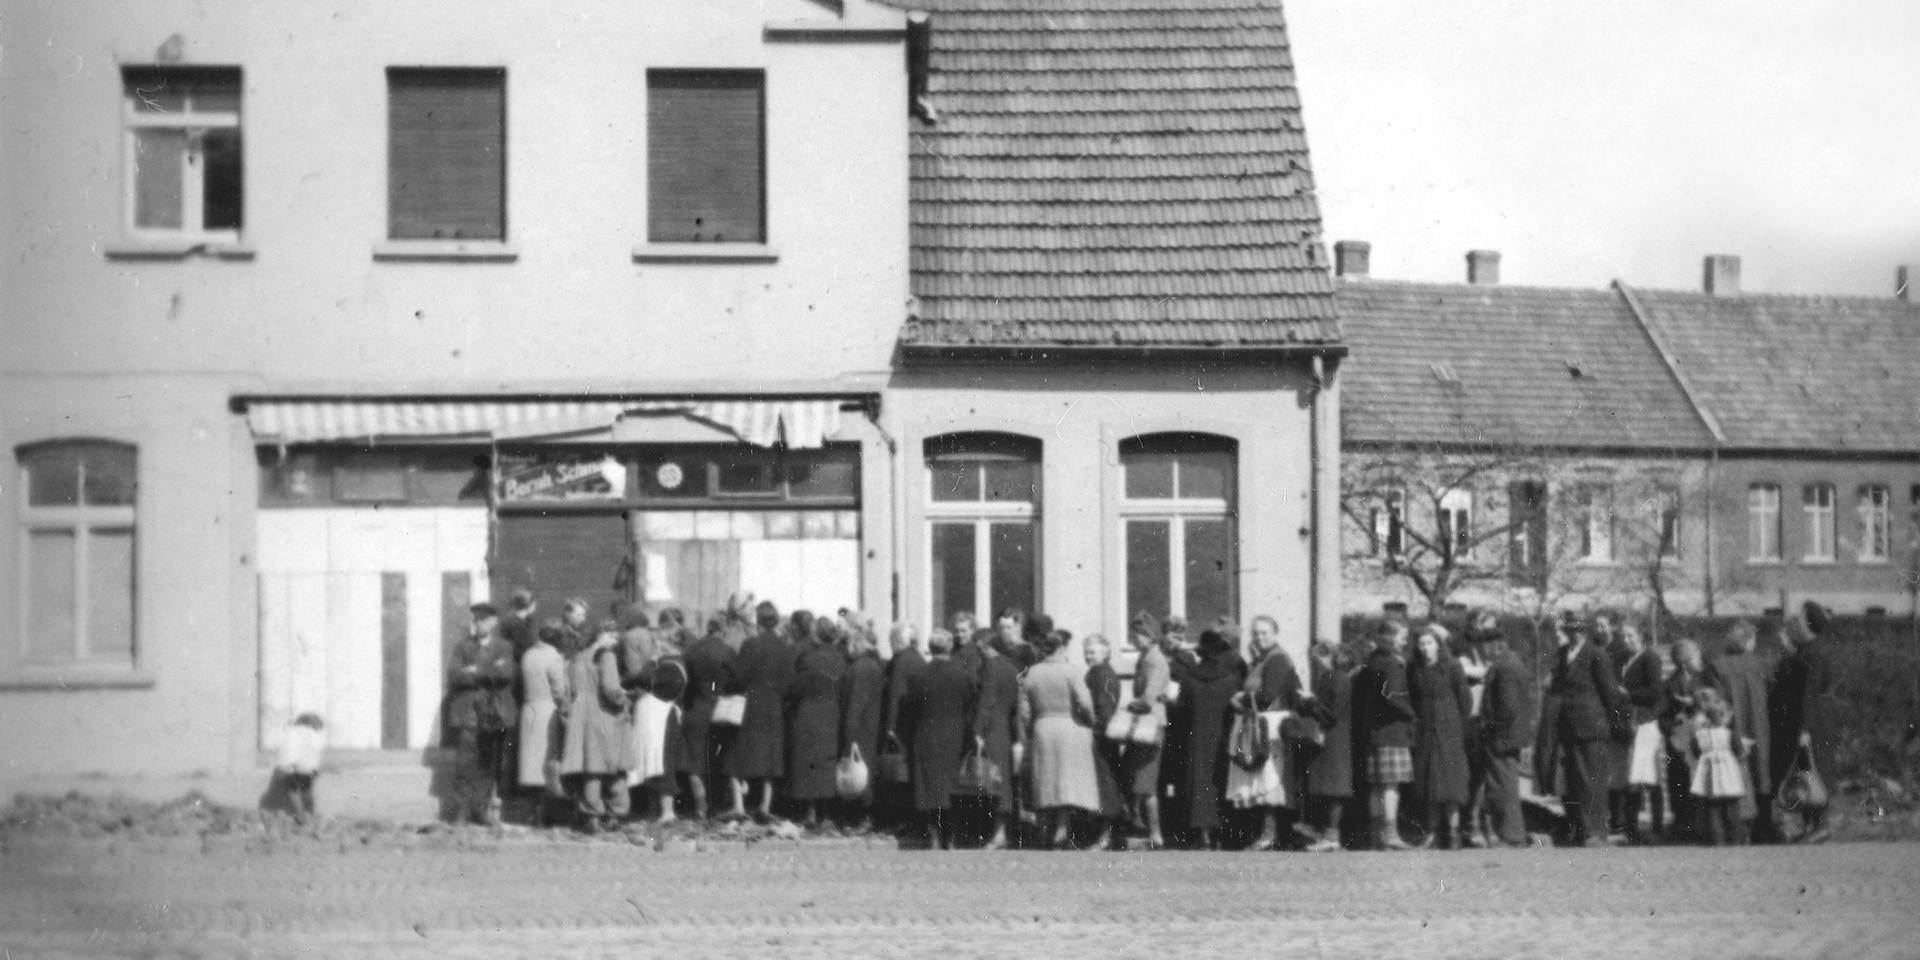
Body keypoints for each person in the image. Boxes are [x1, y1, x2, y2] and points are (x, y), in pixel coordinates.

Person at [1546, 615, 1626, 847]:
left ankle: (1595, 832)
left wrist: (1606, 720)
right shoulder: (1562, 654)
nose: (1574, 633)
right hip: (1569, 725)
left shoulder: (1596, 654)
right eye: (1570, 629)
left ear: (1585, 632)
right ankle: (1578, 829)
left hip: (1592, 725)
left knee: (1594, 780)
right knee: (1574, 781)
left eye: (1578, 629)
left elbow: (1610, 693)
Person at [1164, 624, 1246, 849]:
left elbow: (1180, 709)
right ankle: (1220, 832)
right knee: (1218, 781)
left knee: (1197, 782)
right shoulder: (1229, 680)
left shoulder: (1189, 679)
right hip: (1221, 738)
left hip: (1195, 738)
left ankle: (1200, 833)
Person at [1020, 628, 1102, 849]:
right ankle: (1061, 830)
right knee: (1065, 782)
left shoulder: (1032, 673)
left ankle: (1044, 829)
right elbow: (1084, 703)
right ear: (1062, 648)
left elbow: (1025, 710)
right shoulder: (1071, 671)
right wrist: (1090, 720)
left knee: (1045, 779)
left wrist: (1031, 729)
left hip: (1043, 727)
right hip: (1069, 726)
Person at [1232, 614, 1305, 849]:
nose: (1259, 637)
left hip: (1273, 725)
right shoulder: (1260, 659)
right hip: (1259, 724)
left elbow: (1267, 695)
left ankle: (1270, 835)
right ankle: (1266, 833)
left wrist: (1241, 698)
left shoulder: (1278, 660)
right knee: (1259, 778)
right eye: (1255, 633)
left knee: (1270, 779)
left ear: (1275, 634)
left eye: (1264, 632)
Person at [903, 629, 978, 849]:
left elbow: (910, 708)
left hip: (925, 733)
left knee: (928, 787)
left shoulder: (919, 676)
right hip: (954, 735)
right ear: (949, 647)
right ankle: (952, 837)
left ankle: (934, 836)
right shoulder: (961, 675)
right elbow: (969, 705)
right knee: (951, 786)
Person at [722, 600, 795, 821]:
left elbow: (738, 677)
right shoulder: (785, 647)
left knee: (736, 754)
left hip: (751, 703)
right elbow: (789, 681)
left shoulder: (751, 645)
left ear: (758, 621)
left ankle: (739, 806)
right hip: (774, 704)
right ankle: (765, 805)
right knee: (771, 757)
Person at [446, 602, 518, 826]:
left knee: (488, 764)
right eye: (475, 621)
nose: (477, 625)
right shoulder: (462, 647)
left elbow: (506, 673)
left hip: (491, 713)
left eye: (483, 621)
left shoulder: (503, 647)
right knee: (465, 764)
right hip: (468, 714)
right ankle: (461, 811)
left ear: (493, 622)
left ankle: (481, 809)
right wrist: (487, 672)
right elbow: (454, 676)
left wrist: (474, 671)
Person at [1704, 620, 1775, 842]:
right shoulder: (1763, 665)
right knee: (1761, 773)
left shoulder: (1717, 666)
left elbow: (1716, 703)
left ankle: (1736, 832)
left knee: (1735, 778)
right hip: (1762, 728)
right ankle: (1764, 829)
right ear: (1749, 641)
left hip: (1733, 729)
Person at [559, 620, 633, 833]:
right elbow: (610, 689)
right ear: (602, 635)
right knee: (614, 767)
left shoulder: (576, 657)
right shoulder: (606, 656)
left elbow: (568, 690)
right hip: (604, 714)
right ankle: (617, 813)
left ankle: (590, 814)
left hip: (580, 714)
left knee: (591, 768)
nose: (615, 641)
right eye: (612, 636)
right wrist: (625, 701)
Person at [1409, 623, 1472, 848]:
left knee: (1451, 785)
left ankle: (1453, 833)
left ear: (1438, 645)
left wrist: (1456, 726)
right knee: (1428, 785)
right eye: (1422, 644)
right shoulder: (1415, 669)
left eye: (1430, 643)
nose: (1426, 648)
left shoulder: (1453, 667)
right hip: (1426, 733)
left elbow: (1465, 701)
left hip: (1450, 733)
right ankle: (1432, 833)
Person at [1355, 621, 1416, 850]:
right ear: (1391, 638)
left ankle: (1375, 835)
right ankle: (1390, 835)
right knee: (1391, 786)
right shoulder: (1393, 664)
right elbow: (1394, 697)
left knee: (1376, 787)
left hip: (1372, 732)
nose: (1405, 641)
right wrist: (1412, 714)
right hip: (1392, 732)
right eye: (1403, 636)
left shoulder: (1371, 661)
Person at [1780, 602, 1838, 844]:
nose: (1795, 623)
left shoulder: (1814, 653)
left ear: (1809, 625)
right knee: (1805, 773)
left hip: (1812, 723)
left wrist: (1804, 728)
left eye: (1800, 619)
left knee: (1815, 771)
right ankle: (1811, 824)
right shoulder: (1809, 651)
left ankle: (1821, 824)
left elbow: (1810, 692)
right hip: (1813, 721)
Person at [1474, 625, 1535, 848]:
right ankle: (1511, 833)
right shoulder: (1511, 662)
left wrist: (1492, 729)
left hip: (1502, 737)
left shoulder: (1505, 667)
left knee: (1503, 784)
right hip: (1508, 735)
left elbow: (1507, 707)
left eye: (1483, 646)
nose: (1482, 651)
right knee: (1506, 783)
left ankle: (1511, 835)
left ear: (1494, 644)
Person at [788, 615, 850, 827]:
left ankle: (810, 813)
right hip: (831, 713)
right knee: (826, 762)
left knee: (807, 763)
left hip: (807, 712)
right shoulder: (840, 658)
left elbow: (795, 687)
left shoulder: (808, 658)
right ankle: (827, 814)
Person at [965, 626, 1022, 848]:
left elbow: (986, 702)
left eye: (980, 648)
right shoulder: (1009, 667)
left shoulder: (991, 669)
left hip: (991, 730)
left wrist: (977, 731)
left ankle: (998, 835)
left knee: (991, 783)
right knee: (1000, 782)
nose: (978, 652)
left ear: (988, 647)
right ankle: (1000, 833)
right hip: (1005, 729)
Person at [627, 622, 688, 823]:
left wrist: (651, 662)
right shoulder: (670, 664)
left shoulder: (672, 665)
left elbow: (644, 680)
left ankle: (667, 811)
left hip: (661, 720)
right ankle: (655, 810)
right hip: (656, 719)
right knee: (654, 762)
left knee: (661, 762)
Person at [679, 610, 737, 821]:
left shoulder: (692, 650)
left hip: (696, 708)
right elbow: (735, 681)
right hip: (720, 710)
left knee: (695, 762)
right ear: (723, 630)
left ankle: (700, 806)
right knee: (718, 760)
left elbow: (685, 681)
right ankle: (718, 805)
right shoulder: (728, 651)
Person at [1122, 611, 1172, 848]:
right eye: (1135, 634)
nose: (1135, 639)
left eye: (1140, 635)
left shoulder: (1154, 659)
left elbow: (1148, 697)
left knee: (1146, 783)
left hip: (1150, 725)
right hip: (1144, 725)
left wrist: (1129, 706)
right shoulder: (1146, 657)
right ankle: (1147, 831)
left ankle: (1156, 834)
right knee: (1139, 780)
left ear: (1150, 635)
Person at [1615, 619, 1665, 842]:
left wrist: (1628, 694)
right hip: (1631, 722)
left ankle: (1657, 826)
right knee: (1633, 775)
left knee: (1649, 776)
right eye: (1624, 637)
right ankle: (1632, 828)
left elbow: (1655, 691)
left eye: (1631, 636)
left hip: (1645, 721)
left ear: (1641, 638)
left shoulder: (1650, 657)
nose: (1626, 641)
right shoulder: (1625, 659)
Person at [1301, 640, 1354, 852]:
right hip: (1334, 733)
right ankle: (1328, 834)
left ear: (1326, 656)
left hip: (1334, 735)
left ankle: (1331, 836)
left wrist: (1310, 702)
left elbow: (1331, 712)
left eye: (1317, 659)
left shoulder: (1336, 678)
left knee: (1334, 786)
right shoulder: (1334, 677)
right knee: (1329, 785)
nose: (1315, 664)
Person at [518, 621, 571, 825]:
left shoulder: (528, 655)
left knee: (530, 764)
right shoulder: (554, 657)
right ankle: (546, 814)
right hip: (547, 711)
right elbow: (559, 690)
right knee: (547, 762)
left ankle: (532, 812)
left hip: (529, 710)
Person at [1660, 637, 1713, 843]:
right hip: (1678, 738)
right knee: (1678, 779)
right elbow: (1662, 712)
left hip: (1701, 735)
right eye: (1695, 655)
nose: (1699, 659)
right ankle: (1682, 823)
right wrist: (1671, 728)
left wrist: (1695, 704)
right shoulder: (1669, 683)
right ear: (1685, 660)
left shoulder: (1706, 678)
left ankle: (1703, 823)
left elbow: (1713, 702)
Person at [839, 615, 888, 827]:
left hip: (861, 729)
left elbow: (855, 704)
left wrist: (849, 734)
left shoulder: (860, 668)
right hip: (871, 725)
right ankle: (865, 817)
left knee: (860, 772)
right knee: (865, 771)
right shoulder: (874, 664)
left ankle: (864, 819)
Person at [881, 622, 928, 829]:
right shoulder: (919, 659)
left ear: (898, 642)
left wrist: (890, 727)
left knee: (899, 773)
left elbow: (895, 695)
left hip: (902, 723)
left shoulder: (901, 661)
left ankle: (902, 819)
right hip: (917, 722)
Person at [1688, 686, 1750, 846]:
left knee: (1713, 806)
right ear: (1721, 717)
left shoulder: (1701, 734)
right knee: (1732, 806)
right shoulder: (1729, 733)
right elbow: (1739, 750)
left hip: (1710, 772)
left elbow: (1695, 751)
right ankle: (1736, 838)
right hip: (1727, 771)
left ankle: (1718, 839)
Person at [1083, 633, 1128, 849]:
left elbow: (1104, 710)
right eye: (1086, 653)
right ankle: (1105, 835)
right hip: (1100, 736)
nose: (1088, 656)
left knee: (1105, 786)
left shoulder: (1102, 675)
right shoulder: (1097, 673)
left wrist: (1094, 732)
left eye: (1092, 652)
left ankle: (1105, 836)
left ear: (1106, 652)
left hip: (1101, 737)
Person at [276, 712, 326, 824]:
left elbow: (286, 748)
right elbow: (317, 750)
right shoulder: (314, 734)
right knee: (307, 790)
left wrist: (285, 765)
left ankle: (300, 816)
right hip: (308, 767)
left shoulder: (291, 731)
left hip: (290, 765)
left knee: (292, 791)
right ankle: (311, 815)